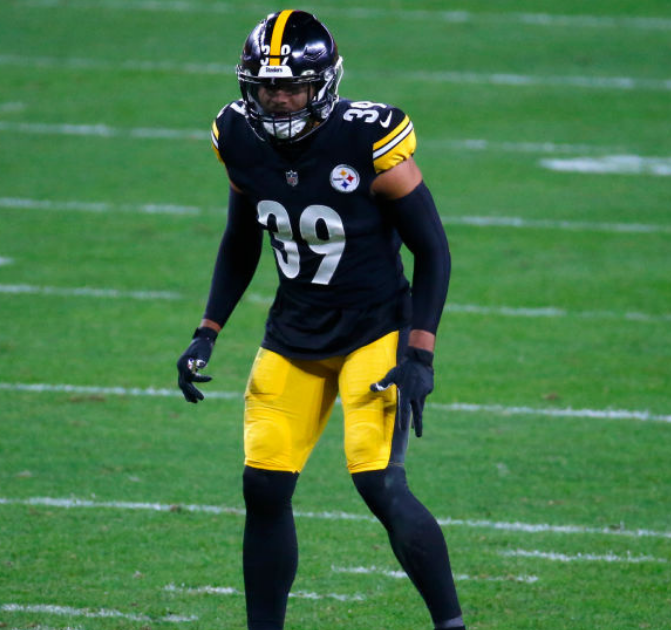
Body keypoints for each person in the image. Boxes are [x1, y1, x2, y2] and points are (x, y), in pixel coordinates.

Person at [175, 10, 466, 630]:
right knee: (264, 488)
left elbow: (433, 249)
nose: (277, 99)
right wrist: (207, 331)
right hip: (294, 333)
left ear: (323, 84)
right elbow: (240, 239)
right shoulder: (238, 135)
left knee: (378, 485)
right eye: (265, 86)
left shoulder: (368, 137)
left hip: (375, 329)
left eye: (292, 87)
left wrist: (419, 354)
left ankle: (451, 625)